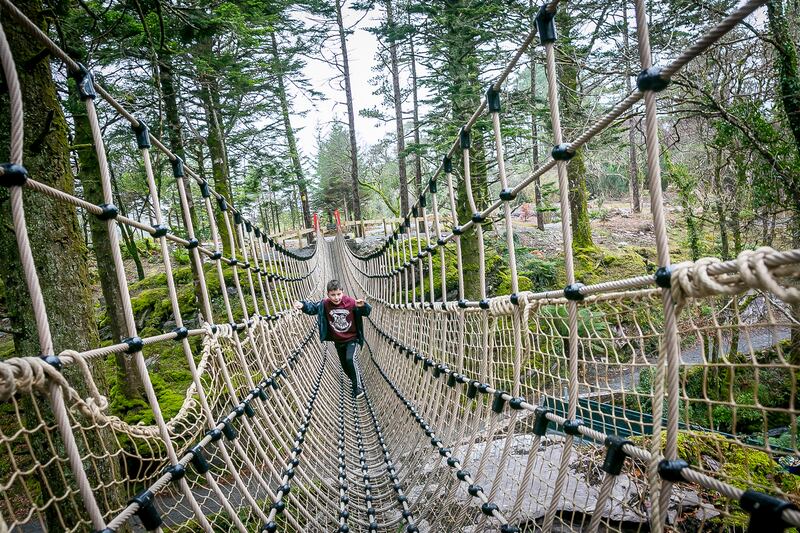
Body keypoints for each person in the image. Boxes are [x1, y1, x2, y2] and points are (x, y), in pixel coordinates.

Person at [294, 280, 371, 398]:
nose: (336, 297)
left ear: (343, 293)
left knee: (350, 359)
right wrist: (303, 305)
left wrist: (364, 306)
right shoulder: (325, 304)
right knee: (345, 366)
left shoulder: (350, 302)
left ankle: (358, 387)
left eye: (339, 294)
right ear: (328, 295)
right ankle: (355, 380)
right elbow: (313, 308)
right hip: (338, 341)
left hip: (352, 338)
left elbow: (366, 312)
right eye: (333, 295)